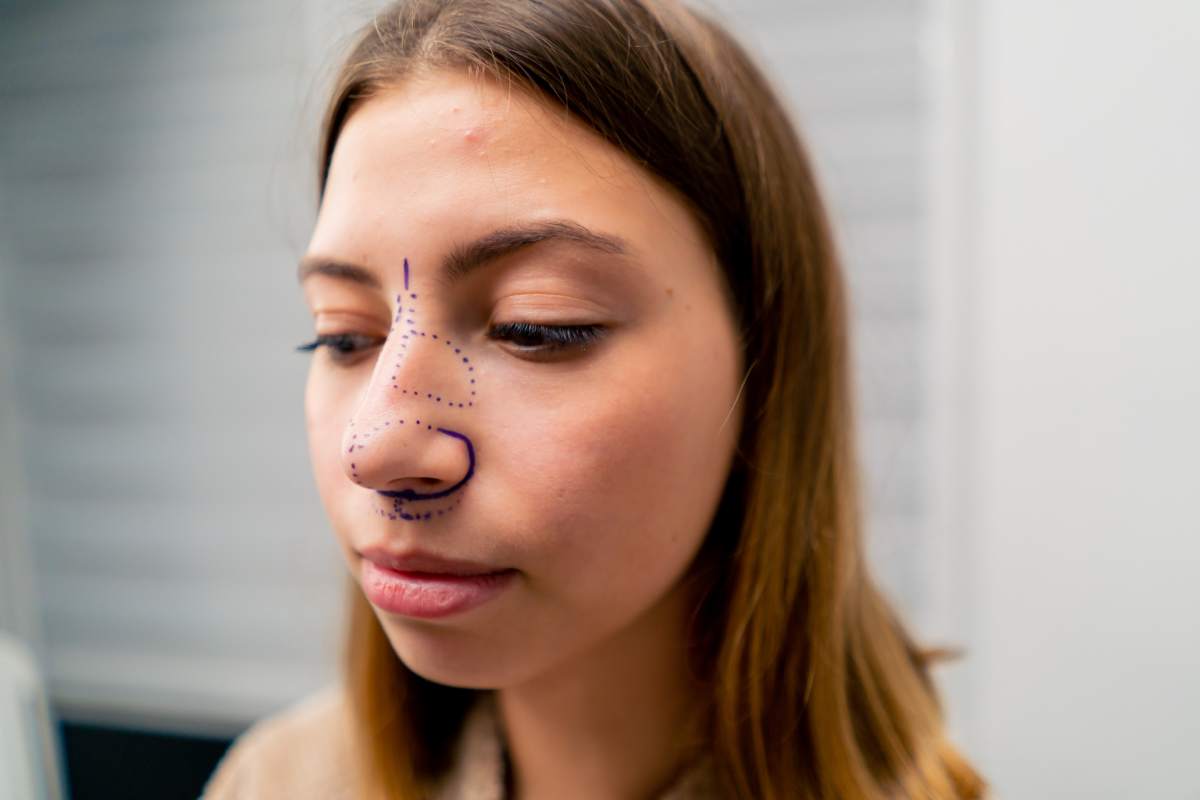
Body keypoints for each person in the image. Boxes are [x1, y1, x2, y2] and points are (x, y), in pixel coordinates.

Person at [203, 0, 986, 797]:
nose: (377, 448)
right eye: (344, 335)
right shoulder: (278, 781)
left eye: (537, 326)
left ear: (766, 363)